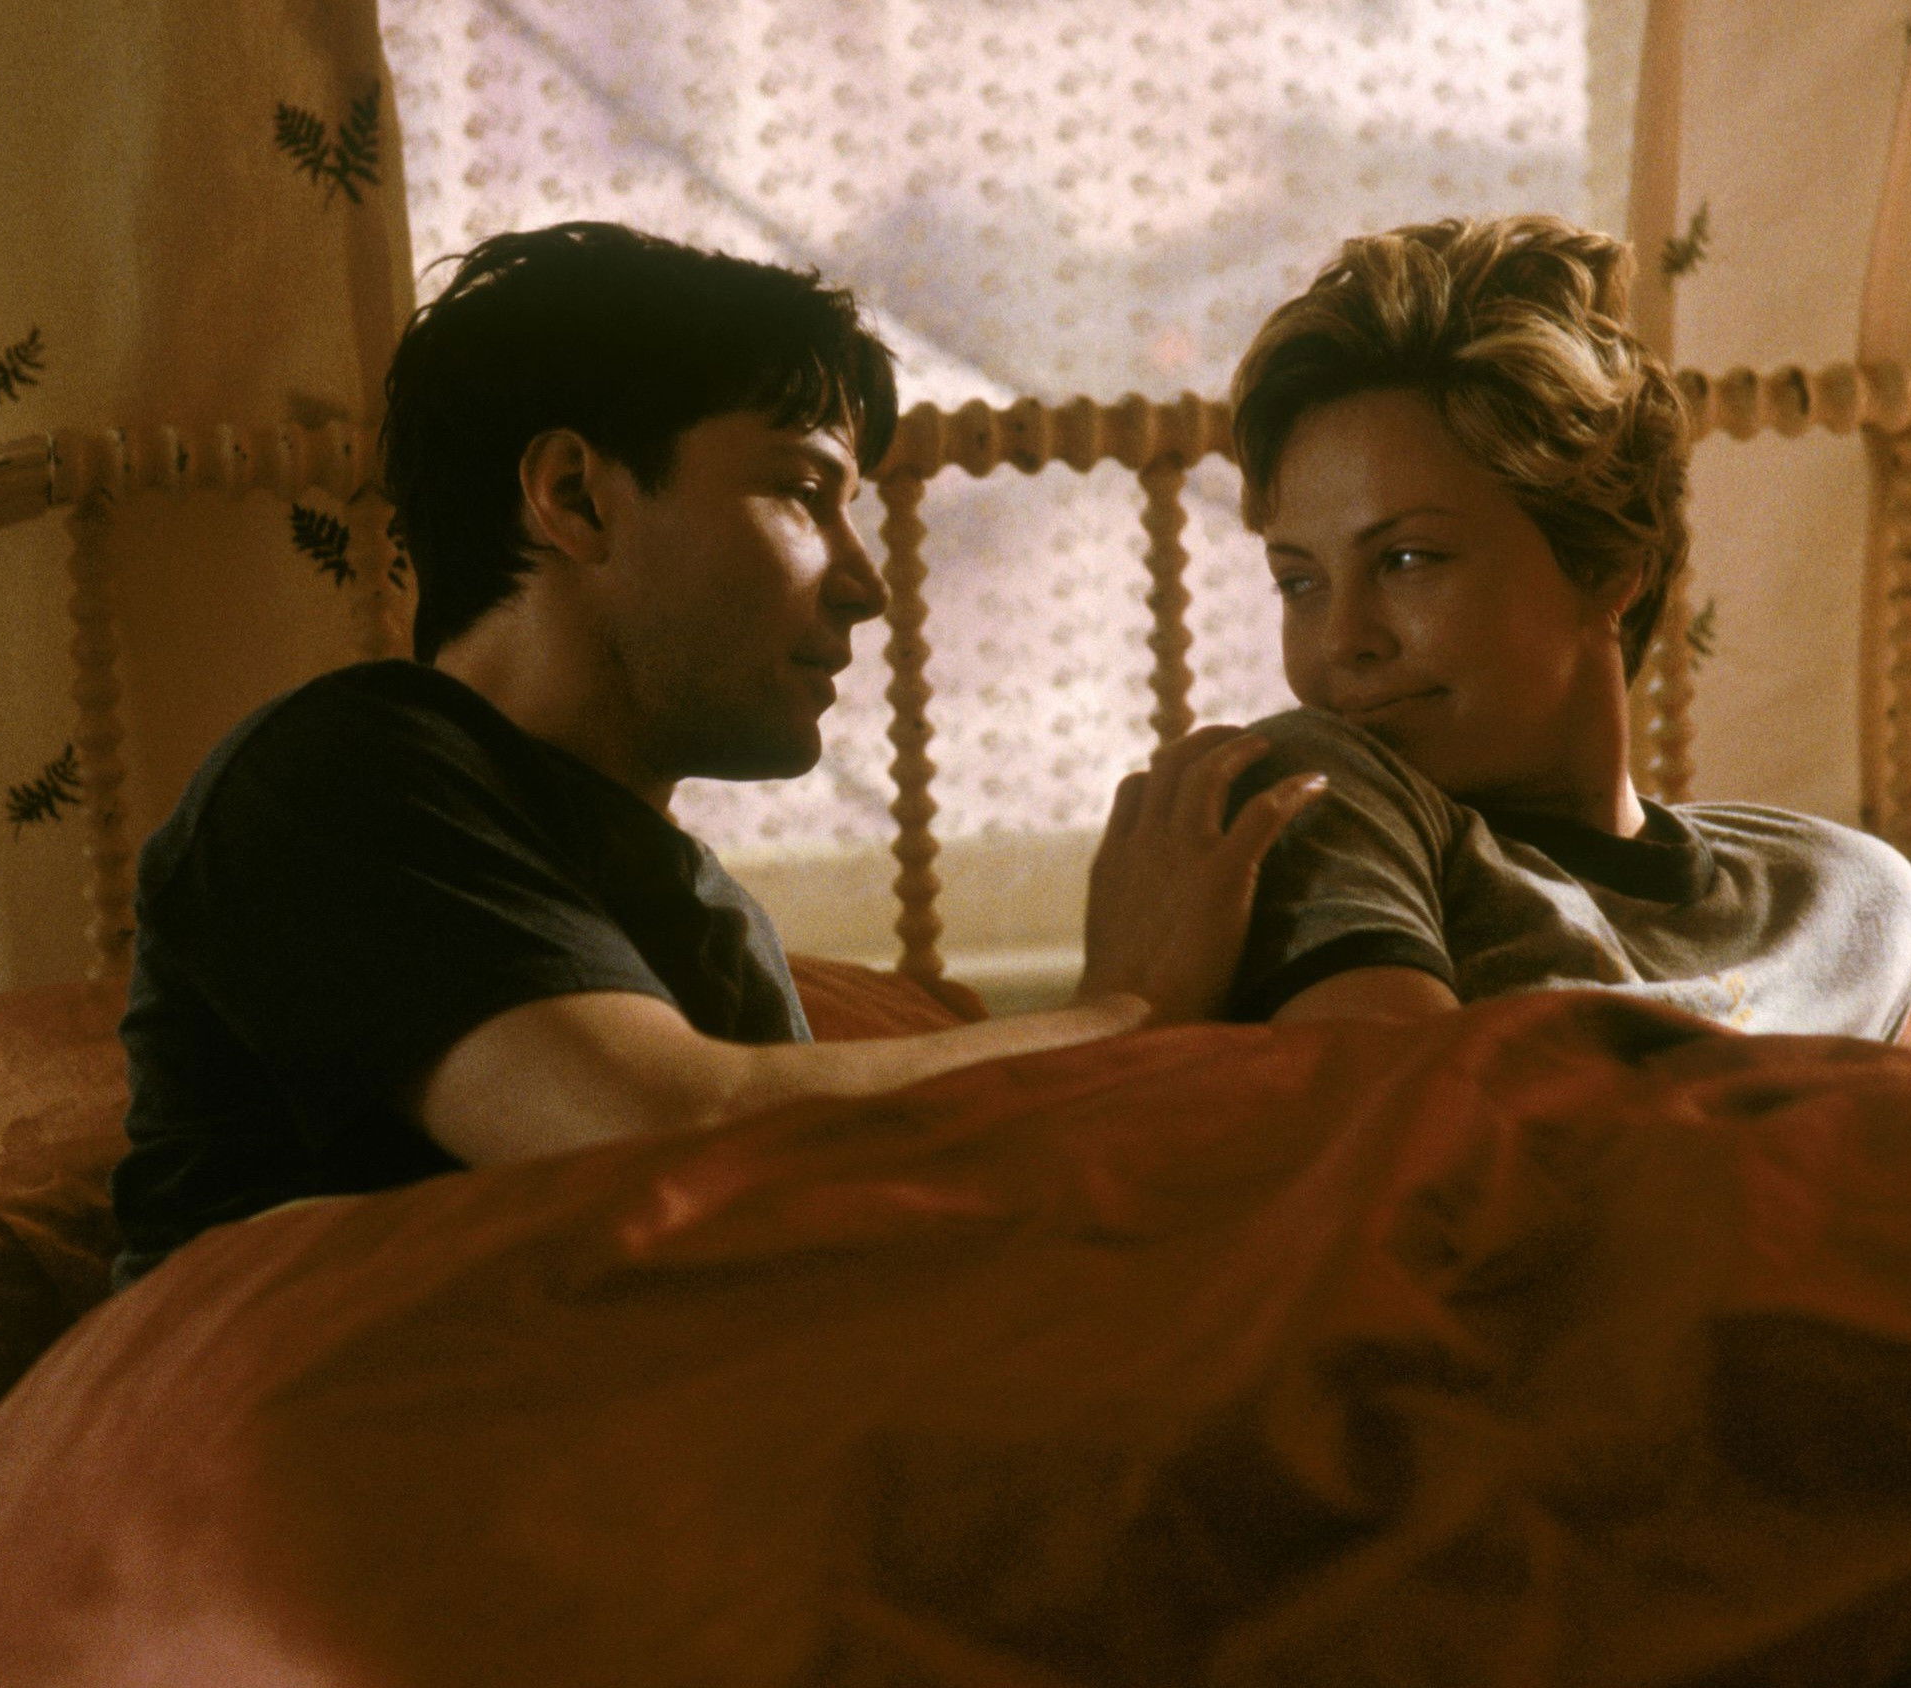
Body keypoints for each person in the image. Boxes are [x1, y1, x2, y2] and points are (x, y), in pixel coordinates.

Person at [107, 223, 1327, 1283]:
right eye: (802, 490)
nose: (865, 583)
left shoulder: (705, 917)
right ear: (576, 495)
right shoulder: (338, 773)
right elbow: (652, 1137)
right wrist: (1127, 1014)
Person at [1217, 214, 1911, 1031]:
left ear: (1605, 562)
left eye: (1408, 559)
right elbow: (1404, 1104)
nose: (1342, 641)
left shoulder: (1847, 898)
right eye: (1298, 582)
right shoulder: (1310, 794)